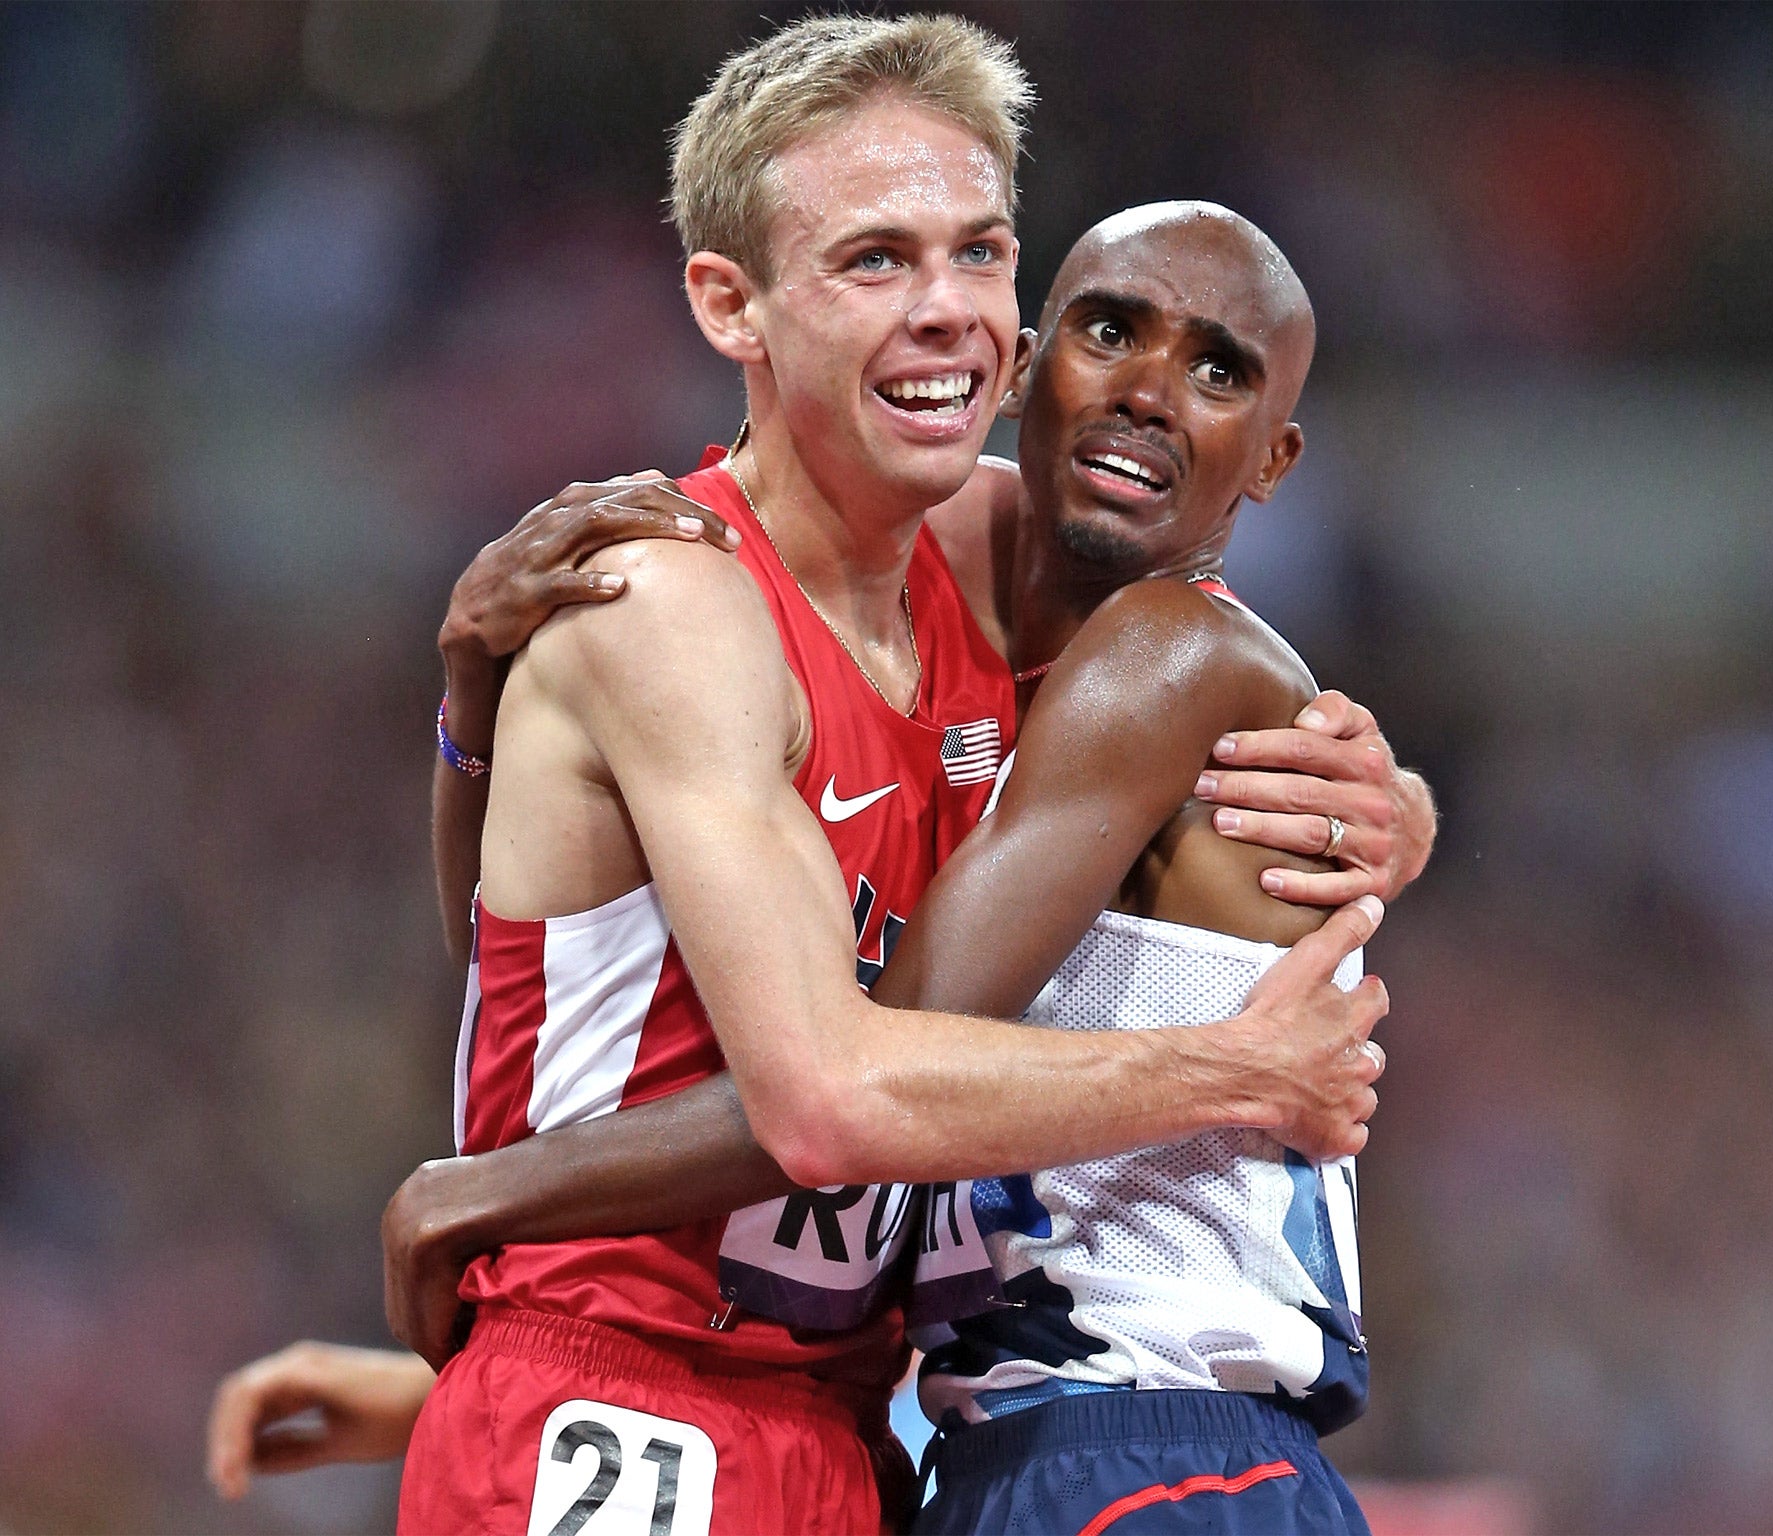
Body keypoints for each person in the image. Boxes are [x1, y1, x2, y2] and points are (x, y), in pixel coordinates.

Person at [210, 195, 1432, 1534]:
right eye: (1111, 331)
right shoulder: (963, 644)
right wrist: (479, 703)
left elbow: (862, 1081)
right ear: (1028, 367)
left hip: (1147, 1451)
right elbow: (571, 974)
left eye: (1218, 370)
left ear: (1274, 458)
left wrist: (482, 1195)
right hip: (975, 1447)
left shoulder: (1164, 654)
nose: (1148, 389)